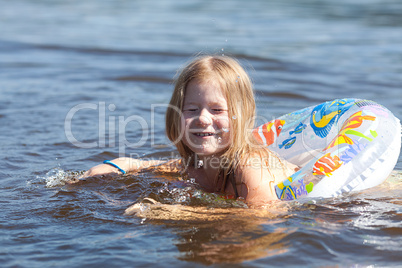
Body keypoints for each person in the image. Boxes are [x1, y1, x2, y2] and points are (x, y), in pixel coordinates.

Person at [77, 55, 298, 206]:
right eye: (192, 109)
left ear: (240, 116)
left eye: (217, 110)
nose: (202, 118)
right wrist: (123, 164)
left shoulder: (250, 166)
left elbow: (264, 219)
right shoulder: (197, 165)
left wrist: (180, 213)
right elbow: (158, 166)